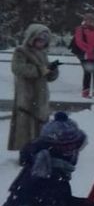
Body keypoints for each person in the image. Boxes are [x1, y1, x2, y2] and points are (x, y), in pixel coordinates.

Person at [8, 23, 59, 154]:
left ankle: (38, 151)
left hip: (41, 95)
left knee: (40, 123)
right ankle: (26, 153)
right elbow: (18, 69)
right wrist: (40, 70)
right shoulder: (21, 51)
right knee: (26, 124)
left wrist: (53, 70)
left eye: (44, 41)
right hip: (27, 94)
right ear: (32, 38)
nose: (41, 43)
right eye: (39, 40)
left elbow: (47, 75)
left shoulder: (42, 53)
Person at [73, 12, 94, 99]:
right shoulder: (80, 29)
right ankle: (86, 92)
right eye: (88, 19)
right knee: (87, 73)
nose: (90, 21)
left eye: (91, 19)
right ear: (84, 20)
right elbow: (79, 42)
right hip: (85, 55)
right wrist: (89, 49)